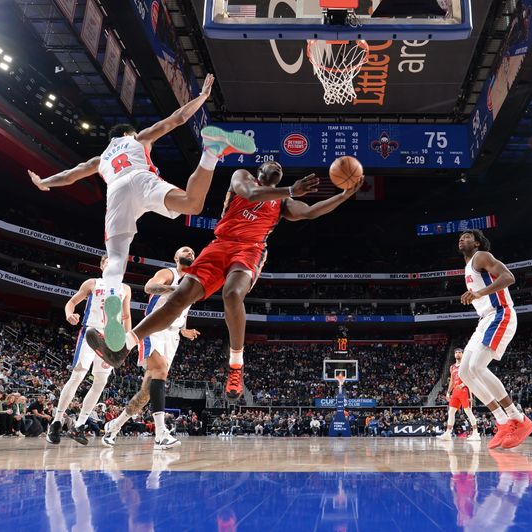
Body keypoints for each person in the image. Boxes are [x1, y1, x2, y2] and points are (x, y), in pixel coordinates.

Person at [87, 162, 363, 402]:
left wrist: (344, 194)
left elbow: (311, 211)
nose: (278, 167)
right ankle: (123, 346)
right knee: (179, 298)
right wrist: (291, 189)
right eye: (272, 164)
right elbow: (251, 193)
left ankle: (235, 366)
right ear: (260, 170)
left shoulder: (283, 203)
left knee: (232, 294)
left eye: (282, 169)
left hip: (250, 249)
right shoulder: (242, 177)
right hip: (220, 245)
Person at [28, 74, 255, 352]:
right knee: (192, 204)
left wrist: (44, 182)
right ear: (128, 135)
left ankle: (107, 321)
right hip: (140, 179)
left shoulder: (100, 160)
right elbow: (176, 119)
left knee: (115, 263)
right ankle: (211, 152)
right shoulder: (139, 139)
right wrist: (202, 98)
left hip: (116, 194)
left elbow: (70, 175)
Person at [102, 246, 200, 450]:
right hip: (153, 329)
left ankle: (114, 426)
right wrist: (175, 290)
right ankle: (161, 433)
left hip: (172, 336)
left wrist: (184, 329)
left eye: (192, 252)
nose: (190, 253)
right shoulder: (169, 273)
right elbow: (149, 287)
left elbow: (183, 310)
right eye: (185, 251)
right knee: (161, 370)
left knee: (146, 393)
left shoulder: (192, 282)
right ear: (176, 257)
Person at [455, 230, 532, 449]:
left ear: (478, 242)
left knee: (478, 367)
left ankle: (518, 419)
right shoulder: (467, 267)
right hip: (484, 320)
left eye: (468, 237)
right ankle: (502, 422)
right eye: (461, 237)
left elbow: (509, 277)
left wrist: (480, 293)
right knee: (464, 372)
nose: (462, 239)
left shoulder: (481, 256)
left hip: (500, 314)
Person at [47, 257, 132, 446]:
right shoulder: (93, 283)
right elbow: (71, 302)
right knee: (77, 376)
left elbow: (126, 316)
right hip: (90, 332)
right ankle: (56, 421)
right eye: (108, 262)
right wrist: (70, 314)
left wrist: (127, 340)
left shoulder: (125, 288)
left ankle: (80, 424)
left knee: (101, 381)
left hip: (111, 338)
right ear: (102, 266)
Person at [437, 348, 481, 441]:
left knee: (468, 412)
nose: (458, 354)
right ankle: (448, 433)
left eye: (460, 352)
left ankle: (476, 433)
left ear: (463, 354)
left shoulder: (466, 365)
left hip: (465, 390)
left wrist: (463, 384)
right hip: (455, 392)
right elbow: (452, 381)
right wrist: (448, 392)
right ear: (454, 354)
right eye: (456, 352)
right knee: (451, 412)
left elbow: (472, 376)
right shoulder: (452, 367)